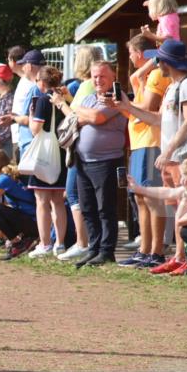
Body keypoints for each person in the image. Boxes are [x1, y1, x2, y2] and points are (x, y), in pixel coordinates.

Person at [113, 39, 187, 276]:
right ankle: (179, 256)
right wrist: (128, 106)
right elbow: (159, 119)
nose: (154, 62)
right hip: (174, 156)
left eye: (158, 58)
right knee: (179, 205)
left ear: (166, 61)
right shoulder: (172, 86)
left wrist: (168, 151)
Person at [57, 61, 128, 267]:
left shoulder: (117, 98)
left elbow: (97, 117)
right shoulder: (88, 98)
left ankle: (107, 251)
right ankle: (94, 248)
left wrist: (80, 112)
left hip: (106, 160)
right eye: (95, 76)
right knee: (87, 207)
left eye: (102, 76)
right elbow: (74, 117)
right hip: (83, 160)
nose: (98, 80)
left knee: (105, 208)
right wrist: (80, 112)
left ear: (113, 76)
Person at [117, 35, 169, 269]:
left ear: (141, 54)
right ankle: (144, 249)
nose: (130, 58)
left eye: (131, 53)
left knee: (151, 195)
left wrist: (154, 54)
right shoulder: (144, 77)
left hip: (151, 141)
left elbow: (148, 107)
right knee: (139, 196)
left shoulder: (157, 74)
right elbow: (134, 78)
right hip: (139, 142)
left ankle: (157, 250)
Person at [128, 156, 187, 279]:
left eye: (182, 176)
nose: (180, 180)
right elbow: (169, 193)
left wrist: (185, 198)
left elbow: (181, 221)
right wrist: (139, 189)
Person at [57, 45, 102, 263]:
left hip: (80, 147)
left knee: (74, 193)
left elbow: (74, 116)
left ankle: (82, 242)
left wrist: (60, 103)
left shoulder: (86, 85)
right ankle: (87, 242)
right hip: (90, 146)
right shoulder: (91, 86)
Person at [23, 66, 68, 258]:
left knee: (42, 200)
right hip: (60, 151)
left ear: (41, 82)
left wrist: (32, 115)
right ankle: (60, 243)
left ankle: (45, 243)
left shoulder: (42, 99)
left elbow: (35, 129)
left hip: (44, 155)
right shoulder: (63, 98)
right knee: (58, 200)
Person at [0, 149, 39, 260]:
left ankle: (17, 242)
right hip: (33, 220)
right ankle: (24, 239)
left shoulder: (4, 179)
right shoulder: (9, 175)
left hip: (33, 221)